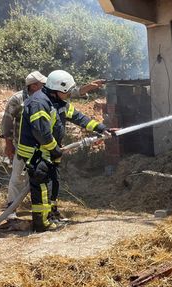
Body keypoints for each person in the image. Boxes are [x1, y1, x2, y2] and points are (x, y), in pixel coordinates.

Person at [16, 70, 115, 232]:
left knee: (53, 183)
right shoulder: (39, 103)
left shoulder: (57, 102)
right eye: (67, 91)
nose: (69, 94)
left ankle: (52, 214)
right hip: (36, 154)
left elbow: (78, 117)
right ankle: (41, 223)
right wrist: (55, 149)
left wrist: (101, 128)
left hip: (49, 152)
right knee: (41, 187)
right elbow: (41, 133)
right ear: (57, 90)